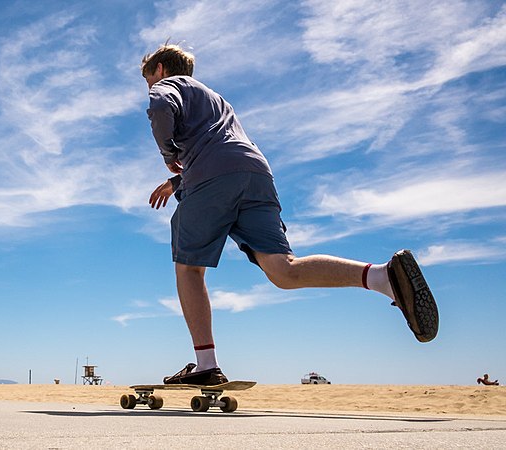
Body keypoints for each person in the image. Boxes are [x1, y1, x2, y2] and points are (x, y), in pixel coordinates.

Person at [141, 44, 440, 385]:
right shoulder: (214, 99)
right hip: (255, 175)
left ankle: (207, 365)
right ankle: (383, 277)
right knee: (284, 271)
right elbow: (220, 149)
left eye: (148, 79)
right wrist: (178, 179)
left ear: (161, 69)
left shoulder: (168, 86)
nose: (149, 86)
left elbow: (162, 107)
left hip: (213, 176)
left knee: (189, 268)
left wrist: (168, 154)